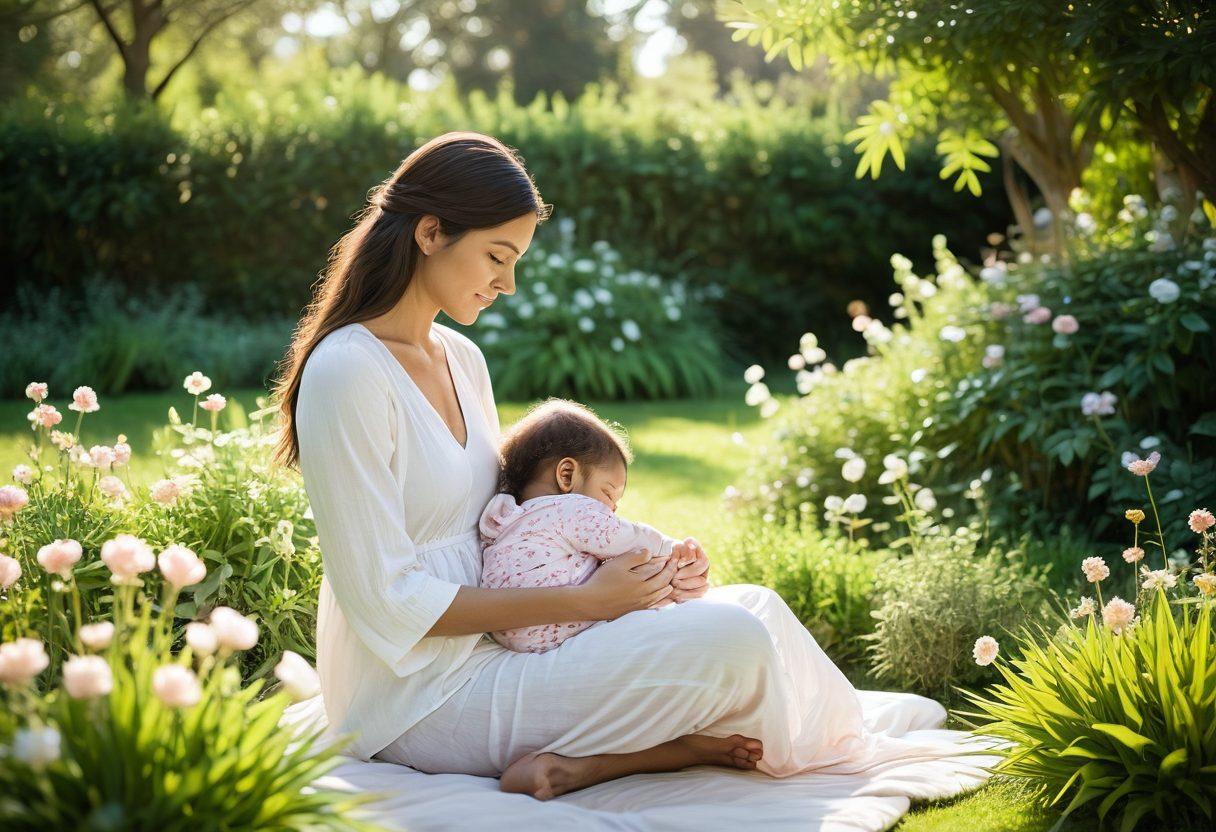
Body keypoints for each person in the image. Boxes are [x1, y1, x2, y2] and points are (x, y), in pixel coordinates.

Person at [272, 131, 990, 804]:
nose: (508, 283)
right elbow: (384, 601)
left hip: (513, 642)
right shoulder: (348, 372)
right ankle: (793, 741)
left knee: (753, 608)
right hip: (415, 699)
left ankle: (793, 738)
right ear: (431, 233)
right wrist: (588, 603)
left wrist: (644, 580)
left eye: (515, 261)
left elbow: (510, 523)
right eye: (497, 256)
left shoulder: (462, 359)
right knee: (733, 640)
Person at [478, 397, 698, 654]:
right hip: (556, 625)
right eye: (608, 494)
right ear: (567, 475)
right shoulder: (569, 510)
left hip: (508, 629)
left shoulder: (508, 516)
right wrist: (671, 549)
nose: (612, 510)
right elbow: (624, 538)